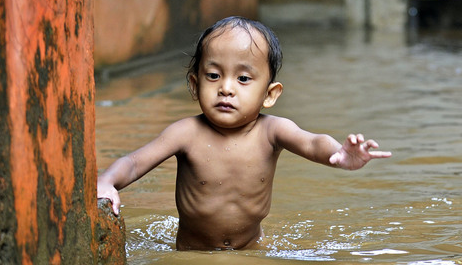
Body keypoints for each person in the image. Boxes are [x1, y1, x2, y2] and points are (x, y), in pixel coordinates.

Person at [96, 16, 391, 251]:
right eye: (213, 75)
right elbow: (134, 162)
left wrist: (337, 155)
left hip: (252, 249)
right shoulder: (185, 133)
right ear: (194, 84)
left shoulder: (272, 131)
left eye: (243, 78)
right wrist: (107, 182)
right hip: (194, 255)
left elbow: (312, 142)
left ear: (270, 94)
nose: (226, 87)